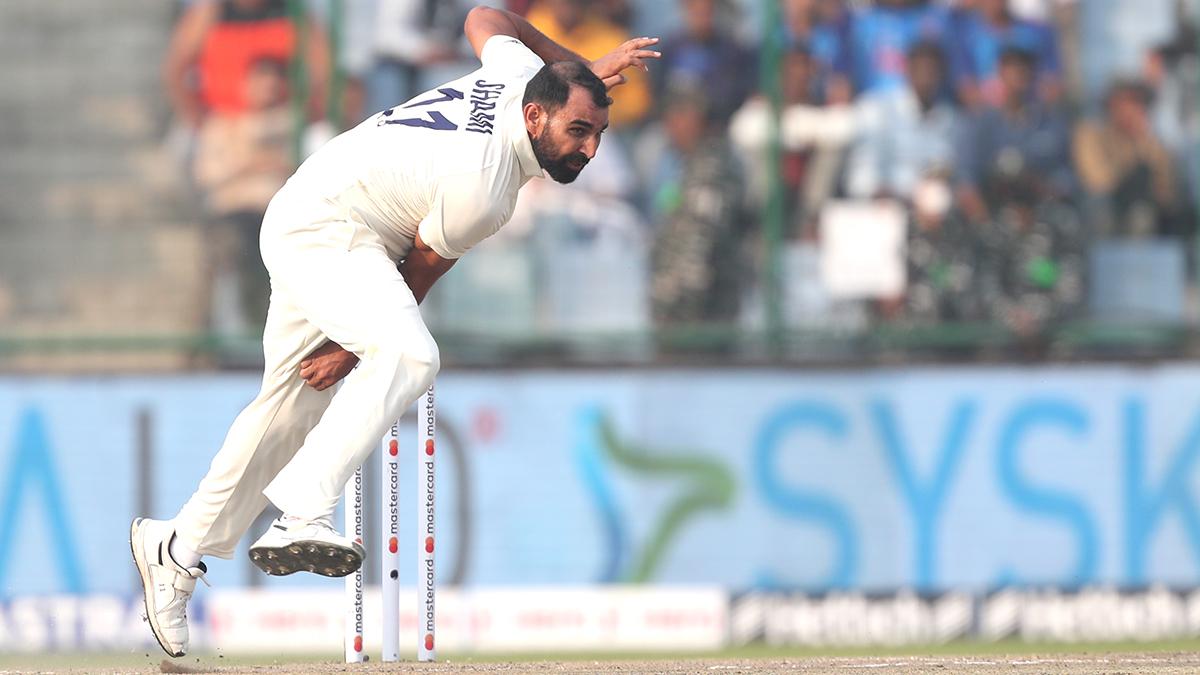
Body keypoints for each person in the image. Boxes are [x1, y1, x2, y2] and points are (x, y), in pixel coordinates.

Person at [130, 5, 659, 658]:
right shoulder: (485, 189)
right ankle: (302, 509)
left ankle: (175, 548)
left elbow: (487, 16)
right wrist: (351, 347)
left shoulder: (522, 73)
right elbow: (422, 267)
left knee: (286, 410)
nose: (590, 149)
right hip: (330, 231)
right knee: (412, 353)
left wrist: (571, 69)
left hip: (312, 205)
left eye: (598, 133)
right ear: (534, 117)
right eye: (579, 131)